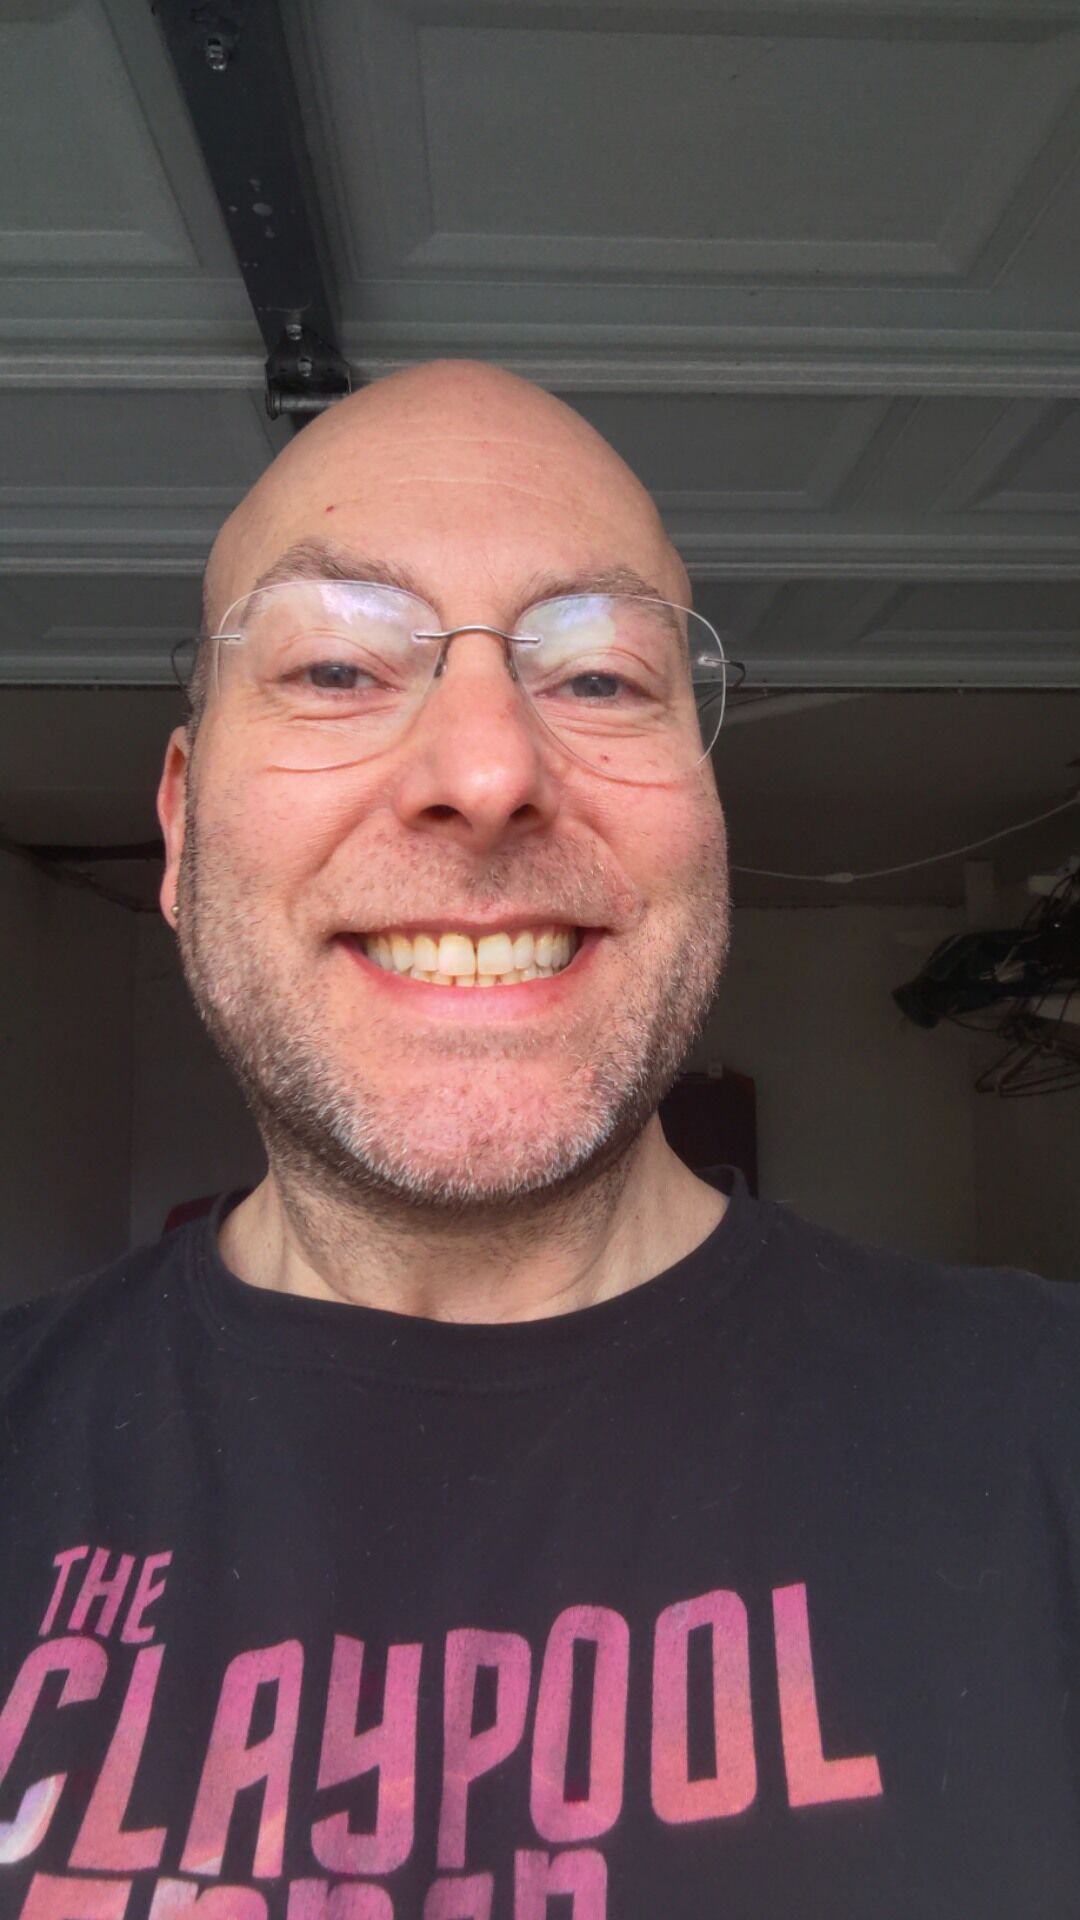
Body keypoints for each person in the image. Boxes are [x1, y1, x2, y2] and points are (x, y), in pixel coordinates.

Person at [0, 362, 1077, 1920]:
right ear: (181, 829)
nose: (491, 772)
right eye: (335, 668)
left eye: (603, 680)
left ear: (704, 813)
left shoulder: (1045, 1436)